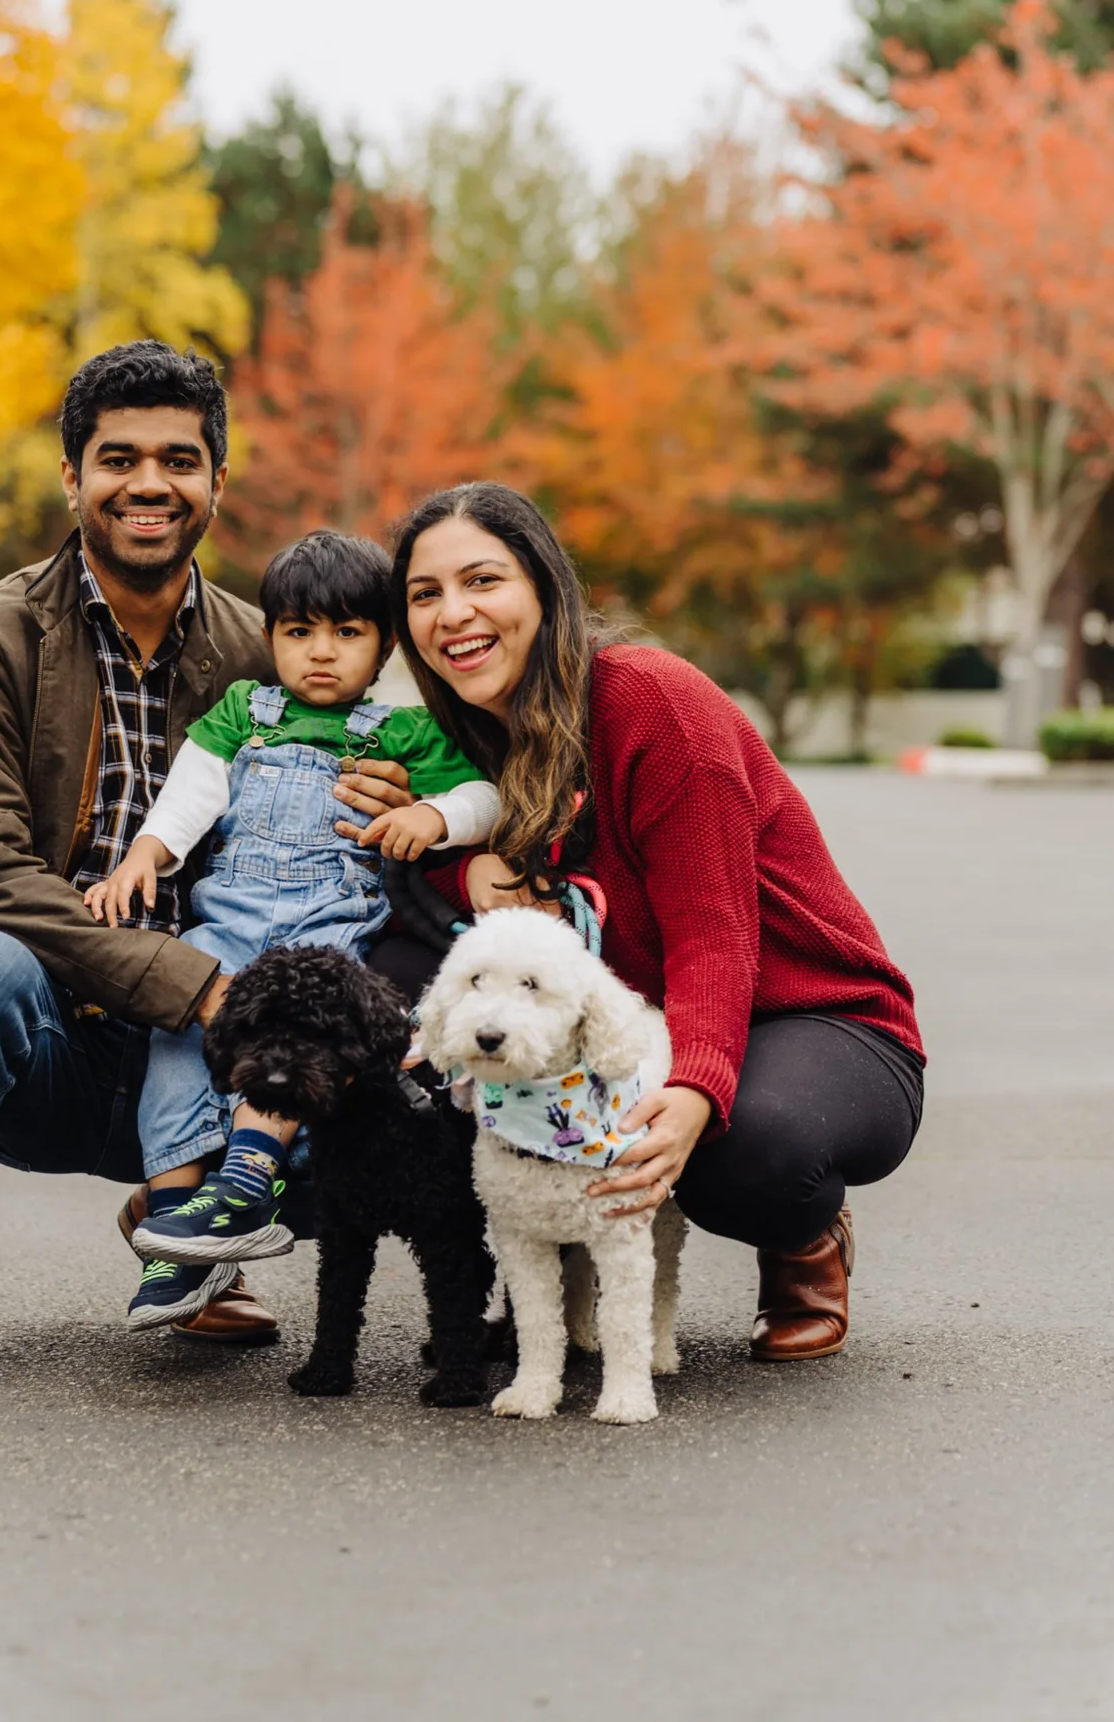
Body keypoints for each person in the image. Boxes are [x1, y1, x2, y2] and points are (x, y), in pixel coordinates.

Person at [0, 342, 418, 1390]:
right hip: (53, 1038)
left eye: (178, 459)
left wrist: (400, 808)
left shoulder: (273, 650)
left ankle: (192, 1220)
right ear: (73, 477)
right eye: (117, 458)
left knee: (371, 1017)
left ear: (214, 483)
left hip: (215, 1042)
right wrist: (192, 987)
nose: (148, 482)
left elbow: (382, 811)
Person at [393, 482, 925, 1362]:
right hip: (643, 1019)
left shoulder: (652, 704)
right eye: (425, 594)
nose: (455, 613)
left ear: (543, 589)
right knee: (408, 1004)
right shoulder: (460, 736)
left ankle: (803, 1239)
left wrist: (695, 1087)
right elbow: (430, 885)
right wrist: (463, 865)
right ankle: (529, 1287)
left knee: (741, 1145)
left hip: (808, 1014)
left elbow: (713, 931)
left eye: (482, 580)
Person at [83, 529, 499, 1328]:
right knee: (177, 1020)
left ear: (382, 647)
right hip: (226, 926)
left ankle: (245, 1177)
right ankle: (174, 1229)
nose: (320, 652)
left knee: (300, 1030)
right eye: (298, 631)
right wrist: (147, 852)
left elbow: (485, 798)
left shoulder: (401, 733)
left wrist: (430, 813)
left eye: (347, 633)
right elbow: (193, 789)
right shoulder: (248, 712)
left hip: (329, 930)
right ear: (269, 635)